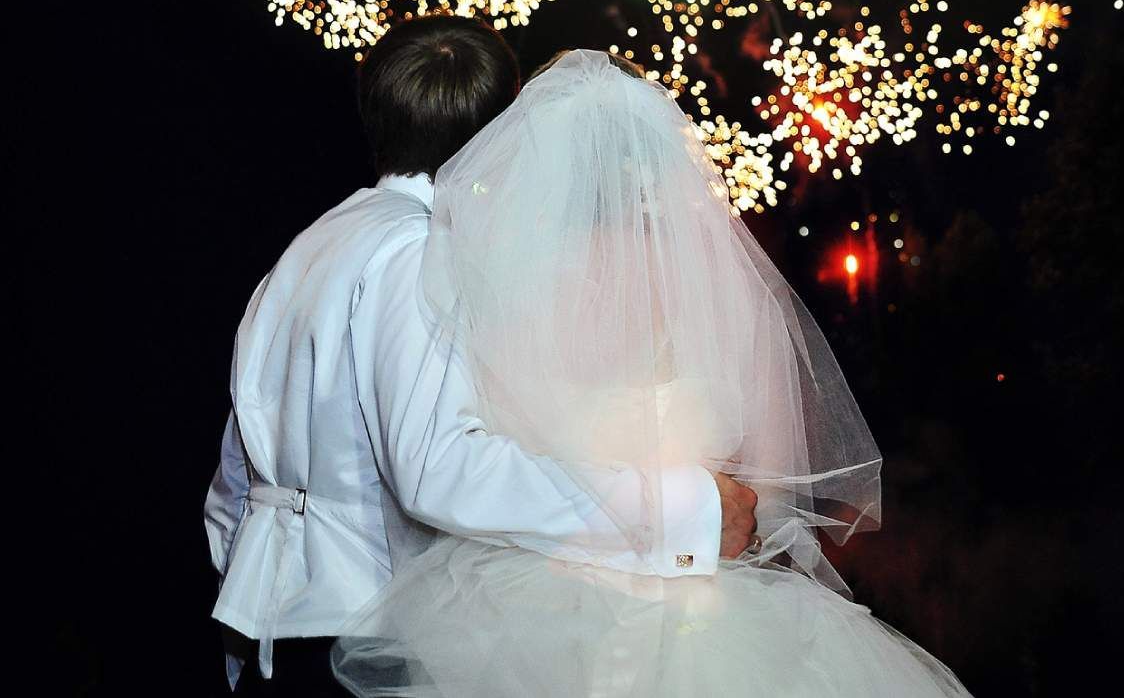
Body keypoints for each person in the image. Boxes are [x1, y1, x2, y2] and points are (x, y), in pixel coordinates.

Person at [330, 49, 973, 697]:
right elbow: (770, 489)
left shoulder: (506, 292)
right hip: (709, 597)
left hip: (535, 611)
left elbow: (485, 461)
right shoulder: (724, 291)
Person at [205, 19, 759, 694]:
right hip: (360, 634)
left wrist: (247, 593)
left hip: (272, 619)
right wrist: (676, 509)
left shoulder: (314, 244)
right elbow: (440, 469)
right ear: (501, 127)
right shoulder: (415, 255)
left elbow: (239, 470)